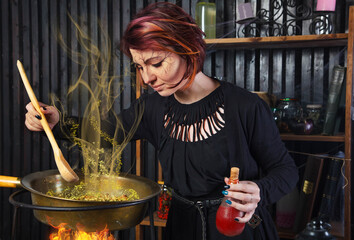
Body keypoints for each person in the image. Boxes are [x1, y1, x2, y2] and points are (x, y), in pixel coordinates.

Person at [25, 2, 298, 240]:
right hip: (179, 227)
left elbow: (286, 171)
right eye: (140, 67)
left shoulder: (245, 106)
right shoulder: (153, 107)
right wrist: (57, 121)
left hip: (238, 230)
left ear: (187, 49)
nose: (147, 78)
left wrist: (259, 190)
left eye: (156, 63)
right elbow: (105, 133)